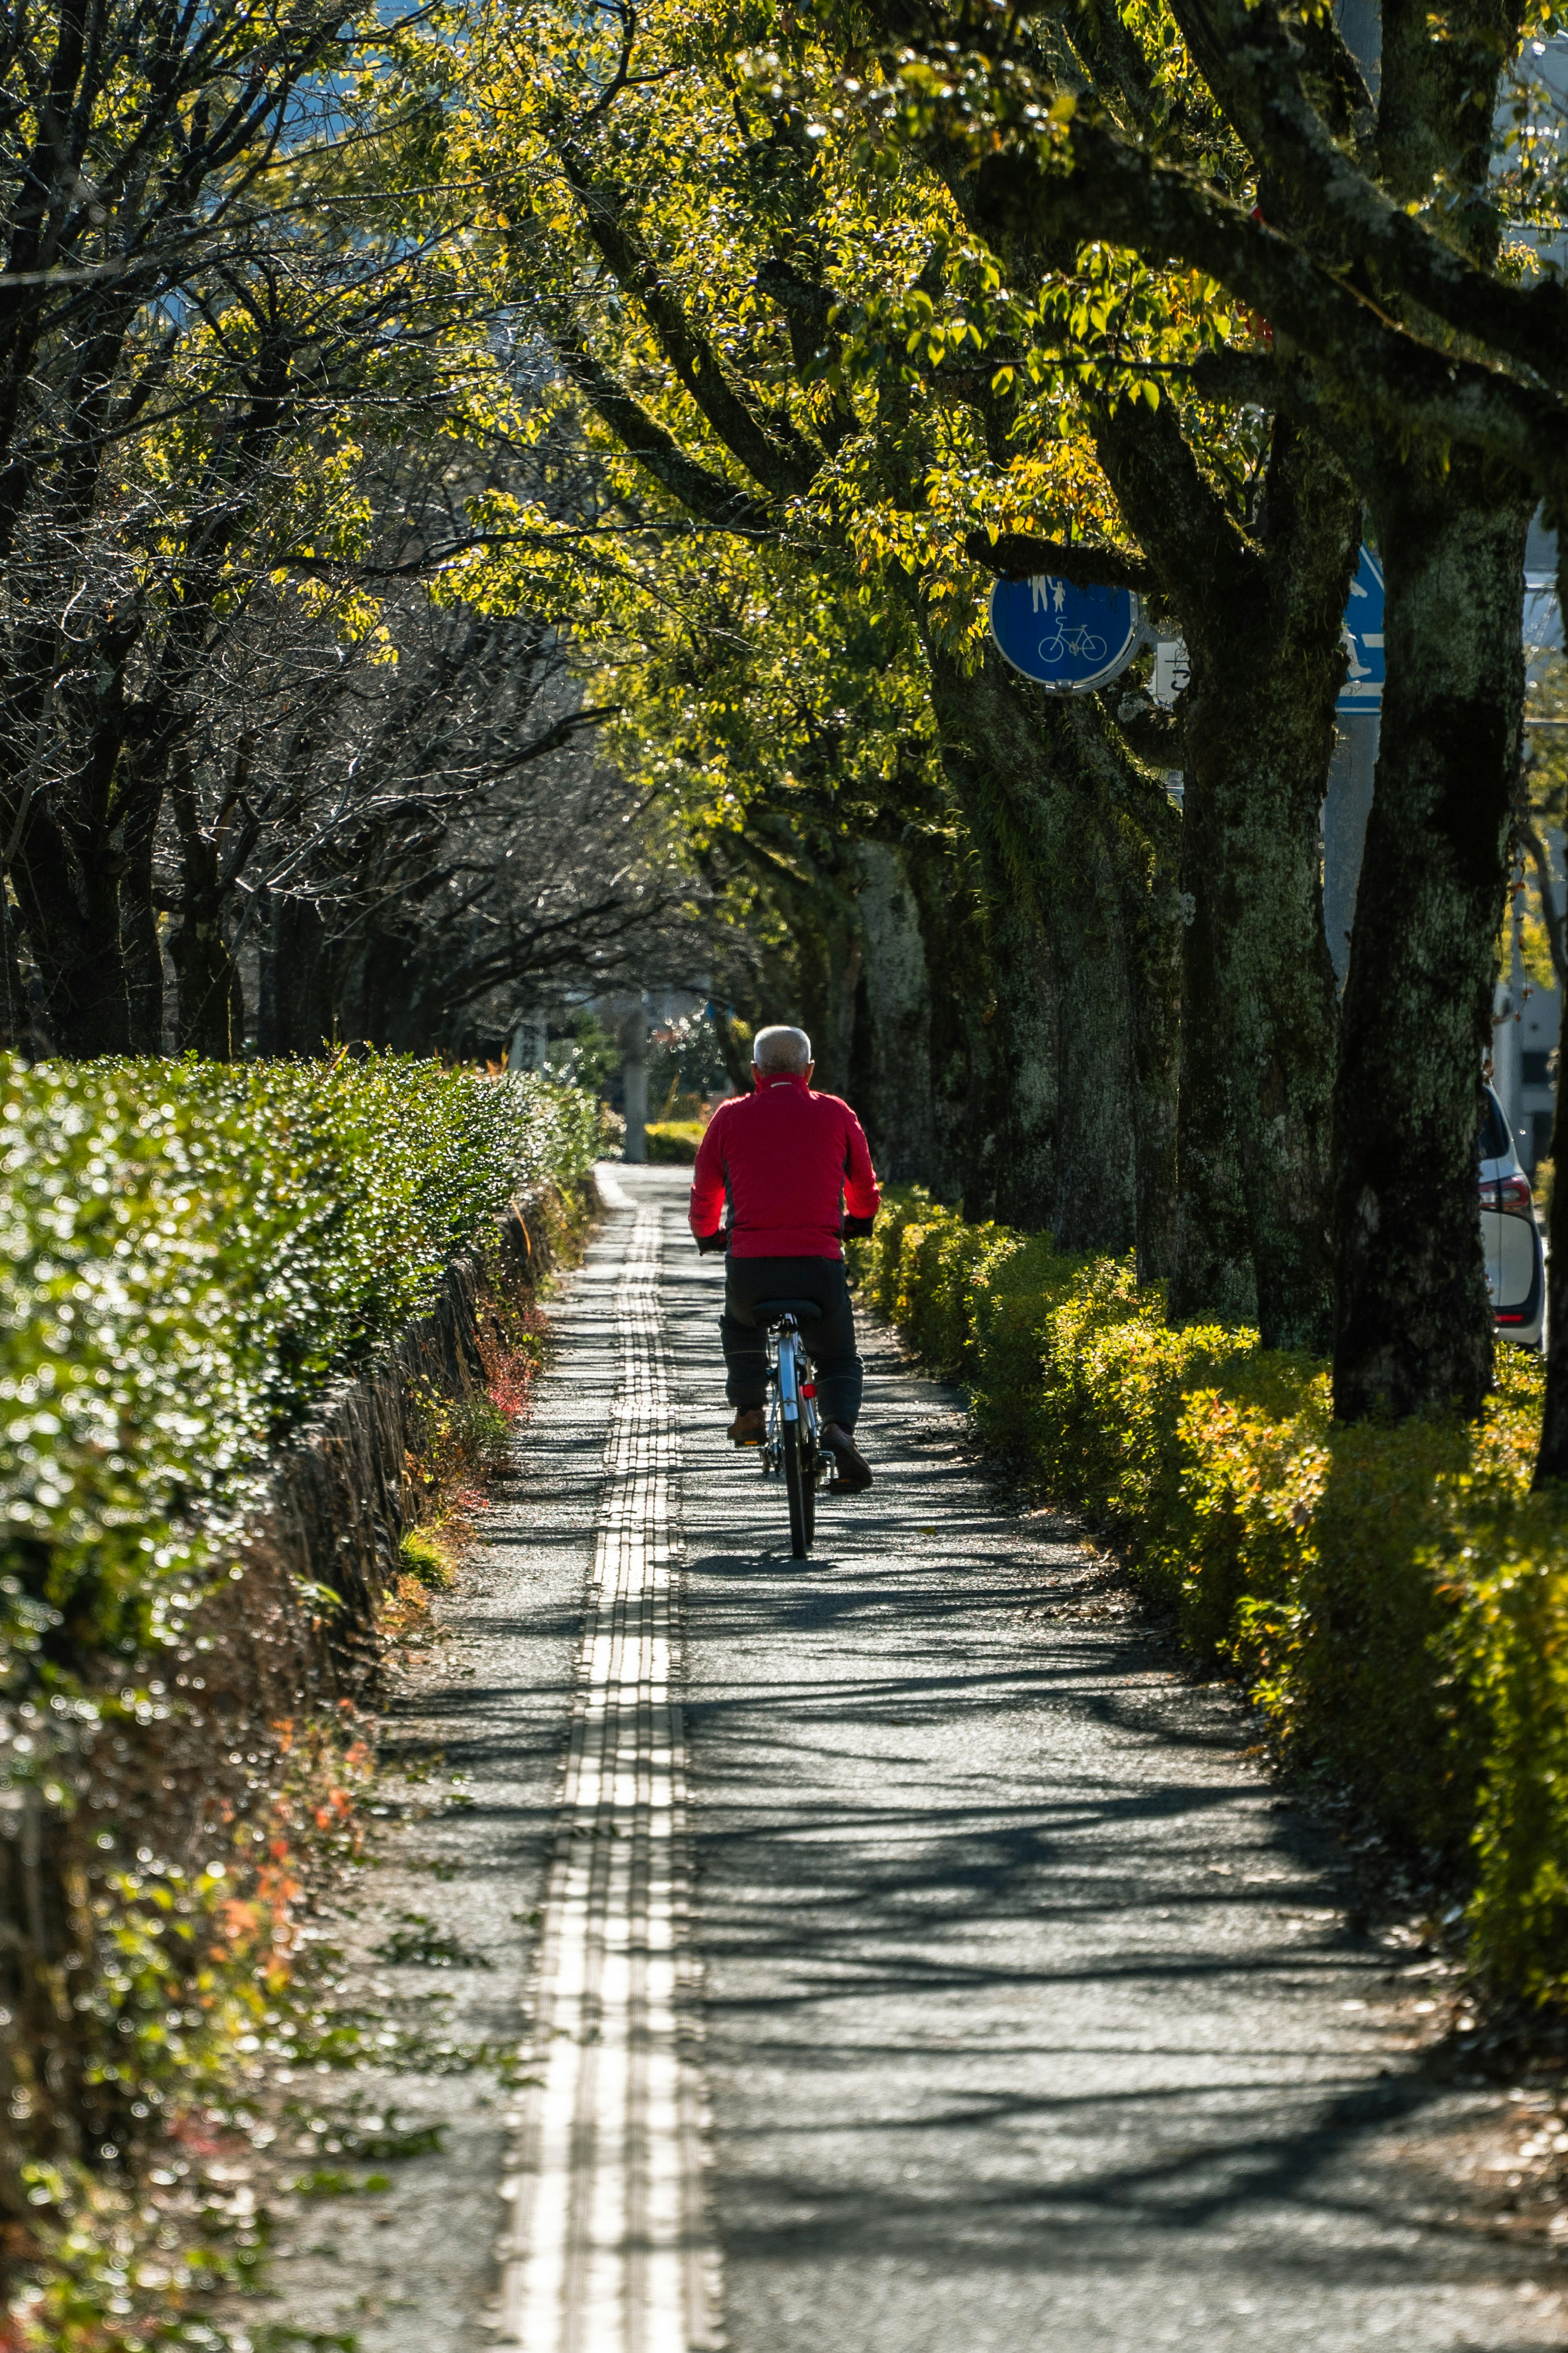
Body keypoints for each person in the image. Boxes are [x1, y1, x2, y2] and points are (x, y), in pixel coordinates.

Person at [688, 1024, 880, 1493]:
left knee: (740, 1324)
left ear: (755, 1071)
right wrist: (857, 1220)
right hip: (819, 1264)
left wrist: (709, 1234)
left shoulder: (729, 1118)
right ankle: (838, 1430)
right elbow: (864, 1190)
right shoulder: (836, 1114)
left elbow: (705, 1192)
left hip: (752, 1267)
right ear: (809, 1070)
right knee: (837, 1356)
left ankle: (751, 1409)